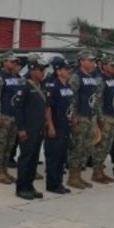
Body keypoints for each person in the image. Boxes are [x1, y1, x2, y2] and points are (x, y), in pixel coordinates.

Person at [14, 55, 49, 199]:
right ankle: (21, 188)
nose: (43, 72)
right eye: (40, 69)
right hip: (27, 129)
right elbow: (18, 108)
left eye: (44, 69)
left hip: (38, 127)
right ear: (32, 69)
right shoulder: (24, 84)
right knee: (25, 158)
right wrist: (21, 128)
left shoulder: (41, 84)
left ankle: (30, 186)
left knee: (34, 158)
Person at [67, 50, 100, 189]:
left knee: (87, 146)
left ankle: (79, 175)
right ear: (81, 61)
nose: (93, 63)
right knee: (77, 146)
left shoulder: (92, 76)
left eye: (94, 61)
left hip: (90, 116)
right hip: (80, 116)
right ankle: (72, 177)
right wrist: (73, 115)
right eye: (90, 60)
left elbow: (95, 98)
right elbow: (72, 97)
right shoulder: (76, 76)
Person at [0, 53, 24, 185]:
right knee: (1, 145)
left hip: (14, 116)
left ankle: (5, 170)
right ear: (4, 62)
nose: (14, 64)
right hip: (3, 116)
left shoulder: (16, 77)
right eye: (12, 61)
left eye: (15, 62)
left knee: (10, 145)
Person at [44, 58, 73, 194]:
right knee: (53, 157)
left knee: (62, 157)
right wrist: (50, 126)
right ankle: (52, 184)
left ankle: (59, 182)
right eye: (66, 69)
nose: (69, 71)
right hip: (56, 126)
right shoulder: (52, 86)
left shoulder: (67, 86)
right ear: (58, 71)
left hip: (65, 126)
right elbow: (48, 108)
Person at [91, 57, 114, 184]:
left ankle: (100, 172)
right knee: (101, 145)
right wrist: (99, 118)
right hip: (104, 116)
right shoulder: (100, 80)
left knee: (107, 146)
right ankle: (96, 173)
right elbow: (97, 101)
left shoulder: (112, 79)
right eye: (111, 65)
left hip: (113, 115)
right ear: (103, 66)